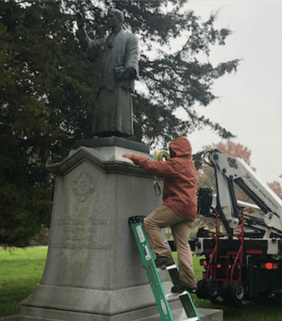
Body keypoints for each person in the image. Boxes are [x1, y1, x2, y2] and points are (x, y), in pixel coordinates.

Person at [123, 137, 197, 293]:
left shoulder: (177, 164)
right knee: (183, 245)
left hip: (178, 205)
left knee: (150, 223)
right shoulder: (189, 164)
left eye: (172, 150)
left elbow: (154, 166)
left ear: (176, 150)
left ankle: (164, 256)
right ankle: (189, 282)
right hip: (189, 209)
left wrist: (134, 157)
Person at [76, 8, 139, 137]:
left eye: (111, 17)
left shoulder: (129, 38)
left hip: (119, 83)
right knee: (103, 118)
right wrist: (82, 30)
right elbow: (89, 46)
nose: (108, 20)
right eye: (108, 17)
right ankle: (103, 132)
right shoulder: (104, 41)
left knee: (118, 117)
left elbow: (133, 57)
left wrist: (128, 69)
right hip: (104, 82)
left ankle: (119, 132)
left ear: (119, 19)